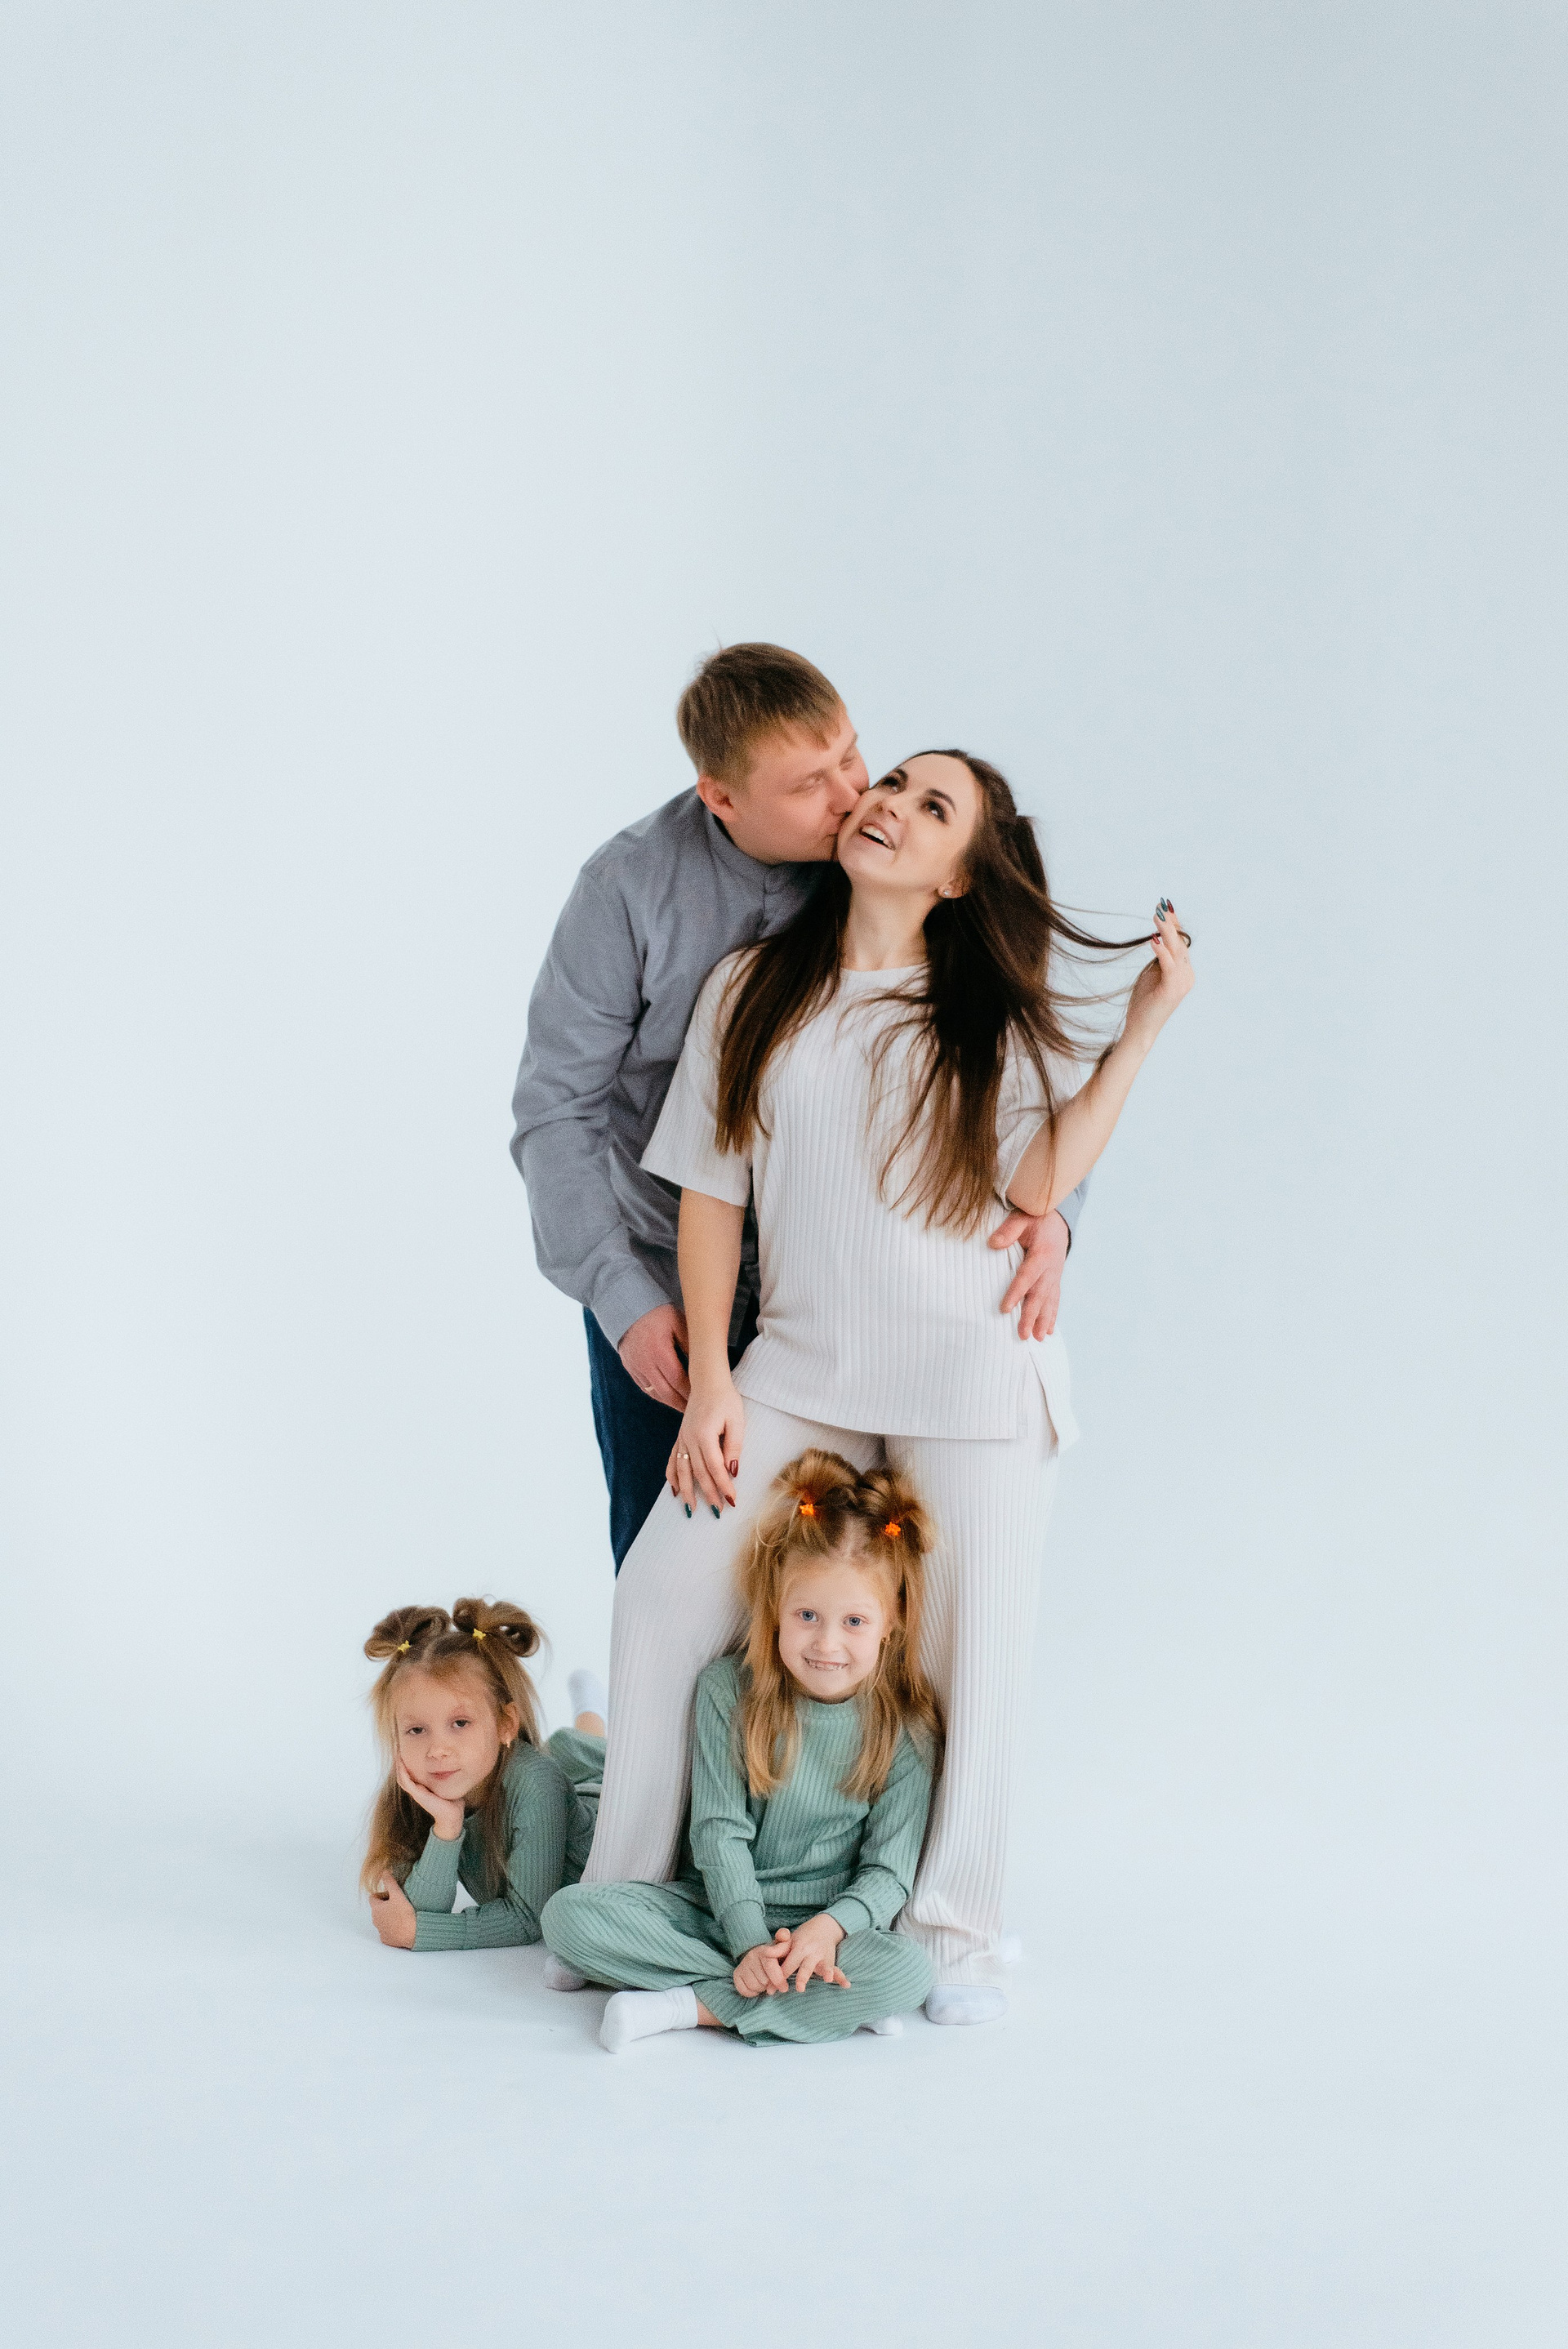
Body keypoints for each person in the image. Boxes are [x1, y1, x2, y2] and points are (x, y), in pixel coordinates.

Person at [579, 749, 1195, 2024]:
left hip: (974, 1375)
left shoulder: (987, 1011)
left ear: (960, 875)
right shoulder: (754, 986)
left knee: (974, 1657)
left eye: (931, 807)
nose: (891, 805)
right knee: (662, 1598)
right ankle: (631, 1896)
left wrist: (1141, 1029)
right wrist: (713, 1383)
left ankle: (950, 1936)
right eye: (896, 782)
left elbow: (1036, 1185)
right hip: (800, 1367)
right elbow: (711, 1194)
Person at [510, 644, 1084, 1571]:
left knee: (845, 1598)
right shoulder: (626, 889)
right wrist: (623, 1298)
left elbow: (1005, 1038)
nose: (855, 794)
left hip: (842, 1305)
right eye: (811, 784)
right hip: (665, 1287)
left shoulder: (880, 856)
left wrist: (1056, 1211)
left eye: (852, 756)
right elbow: (555, 1112)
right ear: (722, 798)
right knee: (677, 1567)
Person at [541, 1449, 938, 2050]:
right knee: (568, 1918)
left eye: (854, 1622)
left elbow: (889, 1871)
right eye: (807, 1615)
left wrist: (828, 1930)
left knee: (909, 1971)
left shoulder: (907, 1727)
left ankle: (688, 2007)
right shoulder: (728, 1690)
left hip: (826, 1932)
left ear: (893, 1622)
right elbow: (718, 1833)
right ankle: (820, 2007)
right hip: (718, 1907)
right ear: (775, 1608)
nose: (827, 1643)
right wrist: (750, 1941)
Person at [361, 1597, 608, 1952]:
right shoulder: (422, 1787)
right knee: (566, 1749)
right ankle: (591, 1712)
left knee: (584, 1751)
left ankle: (592, 1707)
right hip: (554, 1776)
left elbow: (528, 1918)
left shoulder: (538, 1783)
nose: (437, 1750)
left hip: (602, 1803)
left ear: (505, 1724)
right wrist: (446, 1828)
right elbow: (413, 1910)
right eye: (416, 1730)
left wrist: (421, 1935)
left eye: (460, 1723)